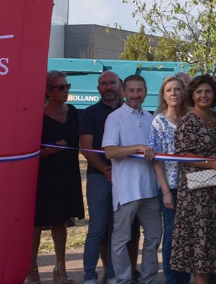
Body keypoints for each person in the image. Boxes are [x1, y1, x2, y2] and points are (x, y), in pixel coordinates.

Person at [103, 75, 162, 284]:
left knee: (154, 237)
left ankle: (147, 279)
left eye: (139, 90)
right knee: (121, 239)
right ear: (123, 92)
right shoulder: (115, 118)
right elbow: (109, 152)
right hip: (126, 190)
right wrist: (137, 148)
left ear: (146, 92)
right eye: (131, 91)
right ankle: (123, 279)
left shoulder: (150, 118)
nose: (135, 95)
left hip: (149, 190)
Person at [171, 75, 216, 284]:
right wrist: (209, 164)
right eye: (199, 92)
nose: (204, 95)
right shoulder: (188, 120)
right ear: (192, 95)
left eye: (208, 91)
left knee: (210, 241)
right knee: (198, 242)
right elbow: (182, 156)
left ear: (214, 95)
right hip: (196, 193)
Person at [30, 71, 85, 284]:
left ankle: (60, 268)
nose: (65, 91)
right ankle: (32, 268)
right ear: (47, 91)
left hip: (67, 173)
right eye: (60, 87)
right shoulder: (37, 113)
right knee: (36, 222)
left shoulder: (72, 111)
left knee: (61, 221)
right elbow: (30, 148)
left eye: (67, 86)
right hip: (44, 174)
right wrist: (48, 151)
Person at [80, 71, 126, 284]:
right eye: (103, 84)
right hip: (99, 178)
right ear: (98, 88)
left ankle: (113, 274)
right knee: (97, 228)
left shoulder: (129, 112)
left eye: (112, 83)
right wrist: (105, 170)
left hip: (125, 178)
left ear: (120, 86)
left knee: (117, 229)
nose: (108, 87)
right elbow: (86, 148)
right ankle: (89, 275)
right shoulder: (90, 113)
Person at [149, 75, 191, 284]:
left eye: (177, 89)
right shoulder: (158, 121)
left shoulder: (192, 117)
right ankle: (171, 279)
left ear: (184, 93)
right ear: (163, 95)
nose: (173, 93)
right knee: (172, 236)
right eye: (168, 90)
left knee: (188, 235)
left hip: (193, 185)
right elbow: (156, 159)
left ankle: (185, 277)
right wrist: (165, 190)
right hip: (171, 186)